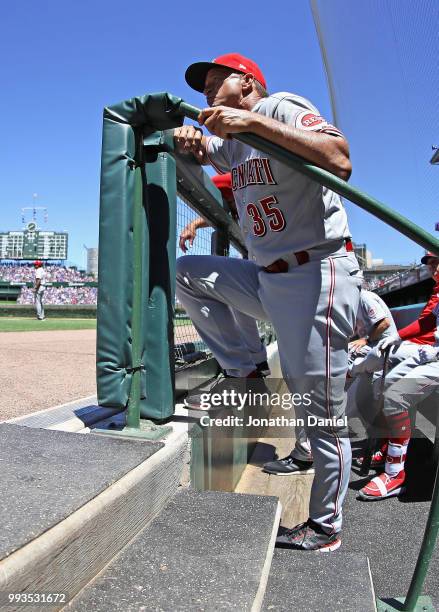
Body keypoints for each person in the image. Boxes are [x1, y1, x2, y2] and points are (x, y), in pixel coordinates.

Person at [175, 52, 362, 551]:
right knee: (188, 274)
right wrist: (192, 139)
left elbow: (339, 157)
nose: (207, 90)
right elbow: (207, 152)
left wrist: (253, 119)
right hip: (270, 279)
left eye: (217, 80)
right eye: (204, 85)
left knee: (321, 412)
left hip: (315, 273)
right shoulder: (234, 143)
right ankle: (246, 368)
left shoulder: (279, 106)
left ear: (248, 82)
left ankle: (326, 527)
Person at [263, 288, 396, 475]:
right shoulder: (350, 297)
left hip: (380, 353)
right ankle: (313, 449)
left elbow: (384, 323)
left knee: (315, 392)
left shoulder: (362, 296)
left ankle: (307, 455)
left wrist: (364, 340)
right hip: (372, 355)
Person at [179, 173, 269, 395]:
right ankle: (258, 365)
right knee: (237, 290)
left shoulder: (250, 175)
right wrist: (195, 223)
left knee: (183, 271)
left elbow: (222, 183)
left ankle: (242, 375)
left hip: (280, 287)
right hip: (312, 284)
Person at [358, 252, 439, 499]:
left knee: (393, 395)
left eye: (438, 262)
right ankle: (392, 443)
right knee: (387, 383)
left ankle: (395, 472)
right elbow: (427, 322)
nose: (433, 268)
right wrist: (399, 336)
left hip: (432, 354)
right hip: (432, 352)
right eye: (431, 264)